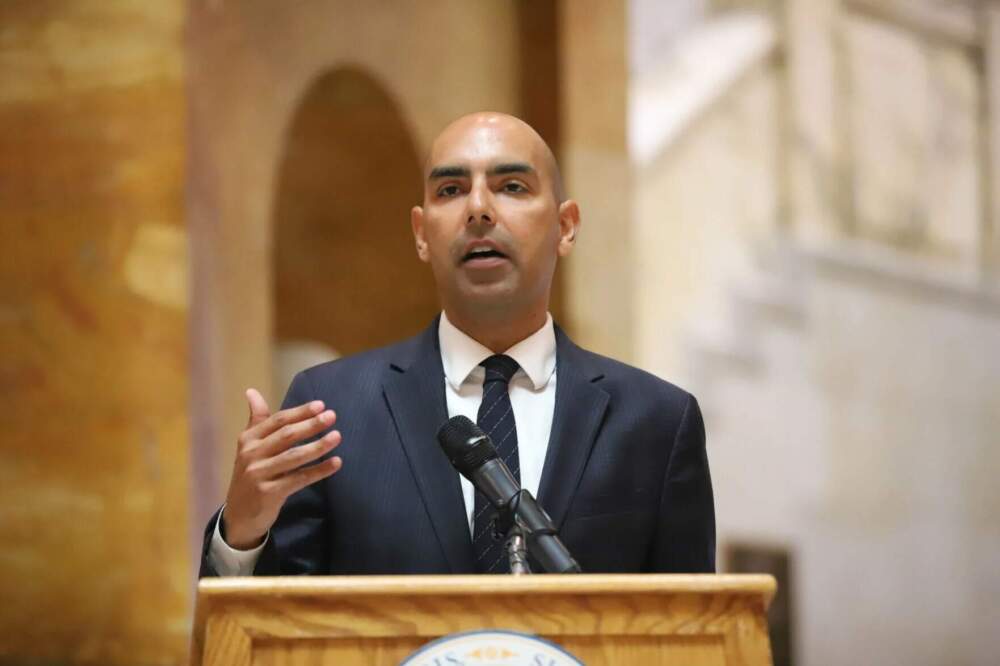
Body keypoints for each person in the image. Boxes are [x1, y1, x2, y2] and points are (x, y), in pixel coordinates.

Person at [199, 112, 715, 576]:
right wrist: (243, 532)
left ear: (565, 225)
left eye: (511, 186)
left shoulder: (657, 423)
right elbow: (272, 629)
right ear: (422, 234)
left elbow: (691, 632)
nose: (479, 210)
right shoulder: (333, 409)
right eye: (450, 191)